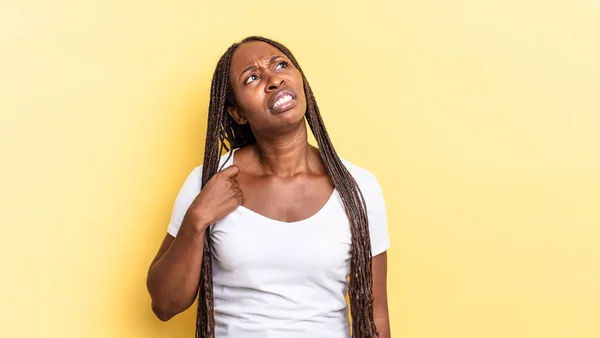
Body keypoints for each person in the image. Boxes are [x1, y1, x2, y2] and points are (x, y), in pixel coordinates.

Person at [146, 36, 391, 338]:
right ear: (238, 113)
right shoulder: (208, 181)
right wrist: (197, 219)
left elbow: (374, 311)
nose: (273, 79)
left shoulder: (358, 188)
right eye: (252, 77)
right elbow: (164, 304)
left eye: (281, 65)